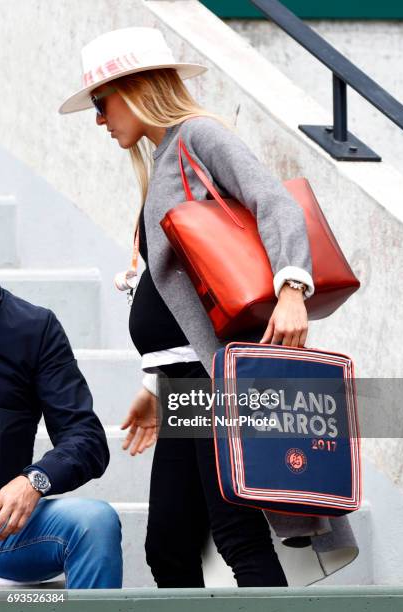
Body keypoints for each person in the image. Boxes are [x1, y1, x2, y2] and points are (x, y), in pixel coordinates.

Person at [59, 27, 314, 587]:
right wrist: (155, 387)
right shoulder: (162, 162)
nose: (100, 121)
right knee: (169, 547)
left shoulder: (198, 137)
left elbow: (274, 202)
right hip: (184, 384)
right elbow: (178, 299)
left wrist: (293, 287)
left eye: (102, 104)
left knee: (237, 537)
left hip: (215, 378)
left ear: (137, 88)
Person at [0, 284, 123, 588]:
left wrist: (35, 480)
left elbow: (86, 437)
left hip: (3, 525)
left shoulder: (33, 327)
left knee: (94, 522)